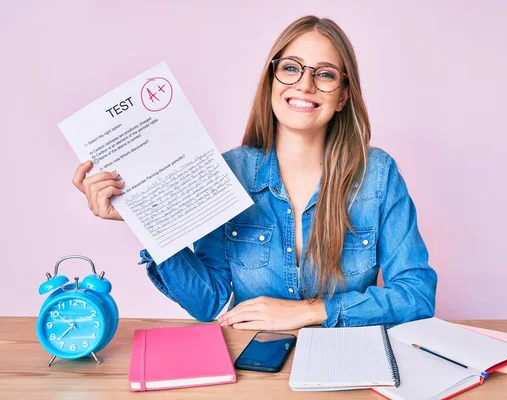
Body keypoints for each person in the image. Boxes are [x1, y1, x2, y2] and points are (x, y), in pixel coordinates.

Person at [72, 15, 437, 330]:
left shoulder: (378, 175)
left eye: (324, 74)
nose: (305, 84)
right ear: (272, 80)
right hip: (255, 368)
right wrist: (145, 219)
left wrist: (308, 312)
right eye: (291, 68)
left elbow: (416, 294)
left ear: (343, 95)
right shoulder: (228, 171)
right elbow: (208, 302)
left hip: (348, 363)